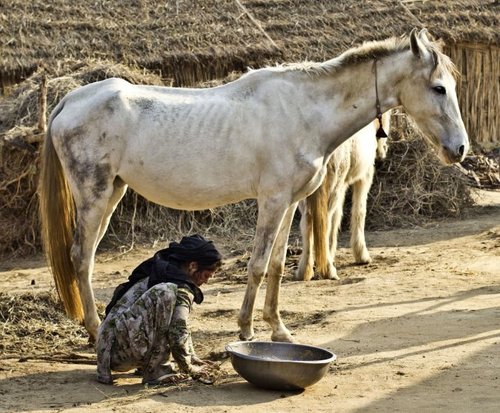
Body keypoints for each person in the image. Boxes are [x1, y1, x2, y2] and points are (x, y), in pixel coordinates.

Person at [96, 234, 223, 385]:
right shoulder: (176, 286)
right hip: (116, 353)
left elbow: (175, 324)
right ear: (193, 266)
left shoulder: (165, 271)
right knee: (166, 292)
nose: (206, 281)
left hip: (111, 350)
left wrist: (191, 356)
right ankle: (156, 371)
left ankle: (151, 366)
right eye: (206, 275)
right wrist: (188, 368)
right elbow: (178, 330)